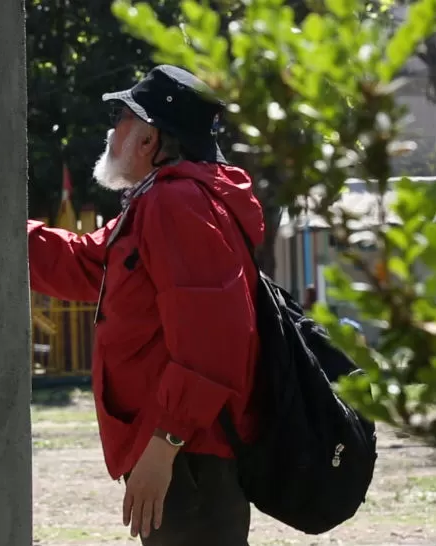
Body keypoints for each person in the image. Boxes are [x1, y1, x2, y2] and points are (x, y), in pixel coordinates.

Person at [27, 65, 263, 545]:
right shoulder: (158, 201)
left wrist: (164, 444)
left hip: (191, 455)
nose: (112, 130)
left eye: (122, 117)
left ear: (149, 140)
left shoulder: (176, 204)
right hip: (186, 451)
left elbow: (215, 337)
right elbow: (87, 263)